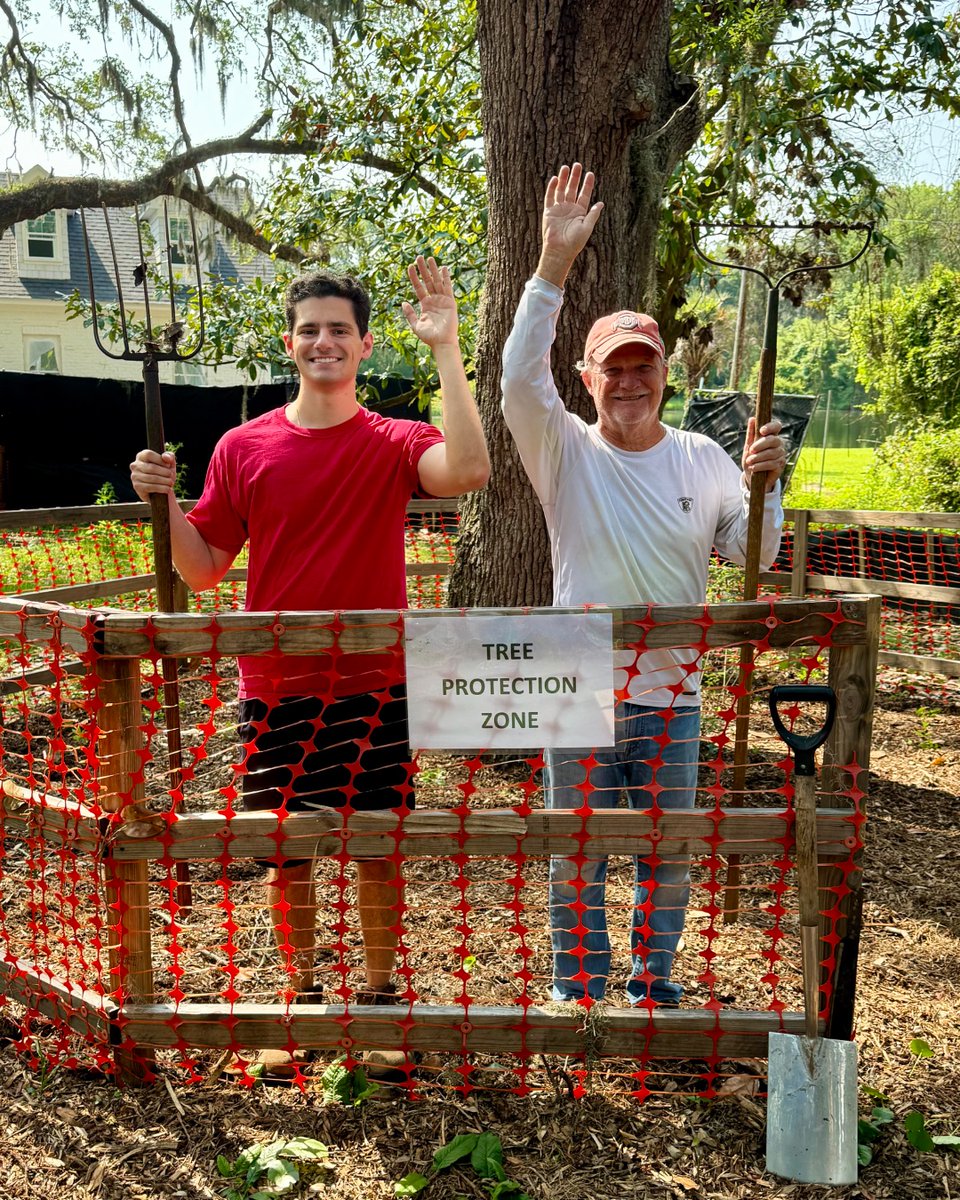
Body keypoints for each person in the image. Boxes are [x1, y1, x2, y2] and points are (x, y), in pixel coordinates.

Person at [131, 257, 489, 1016]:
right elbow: (201, 571)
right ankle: (302, 999)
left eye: (339, 330)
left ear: (363, 346)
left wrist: (447, 347)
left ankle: (382, 997)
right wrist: (162, 504)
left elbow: (469, 467)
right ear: (290, 343)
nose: (323, 341)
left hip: (377, 682)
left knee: (376, 848)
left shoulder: (394, 441)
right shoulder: (243, 447)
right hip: (277, 687)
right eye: (309, 329)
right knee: (287, 853)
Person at [501, 163, 785, 1008]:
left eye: (643, 366)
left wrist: (769, 486)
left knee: (667, 846)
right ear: (587, 381)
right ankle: (578, 985)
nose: (629, 382)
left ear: (666, 372)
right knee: (576, 842)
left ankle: (651, 983)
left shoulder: (702, 458)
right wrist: (552, 267)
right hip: (577, 683)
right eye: (611, 370)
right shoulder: (564, 451)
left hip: (676, 689)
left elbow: (755, 555)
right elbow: (518, 378)